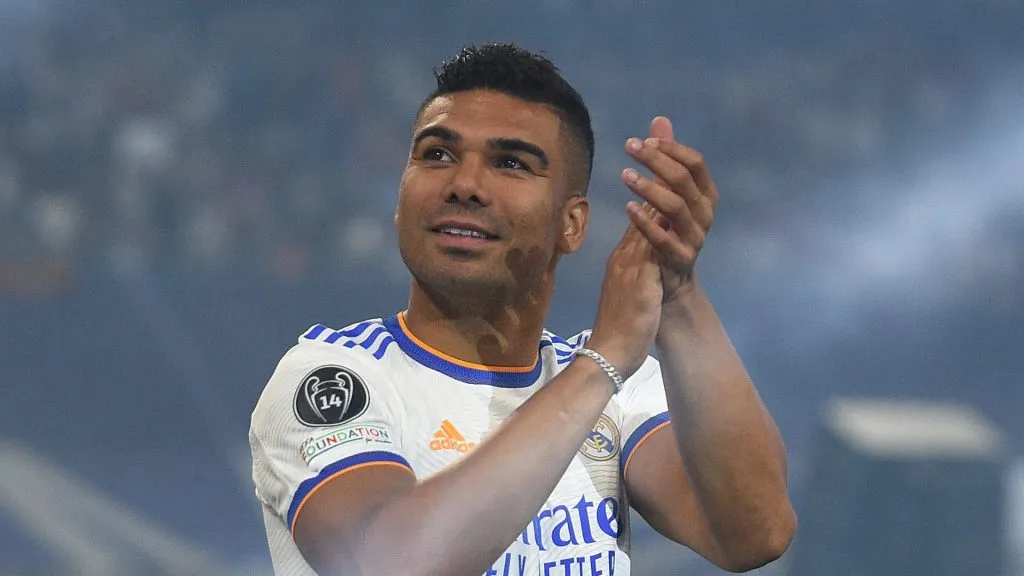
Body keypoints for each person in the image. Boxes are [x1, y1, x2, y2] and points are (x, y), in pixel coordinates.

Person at [249, 43, 796, 575]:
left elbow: (753, 533)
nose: (464, 184)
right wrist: (601, 363)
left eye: (510, 163)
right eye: (436, 154)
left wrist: (676, 292)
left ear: (572, 223)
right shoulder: (335, 377)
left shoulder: (620, 388)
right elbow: (387, 562)